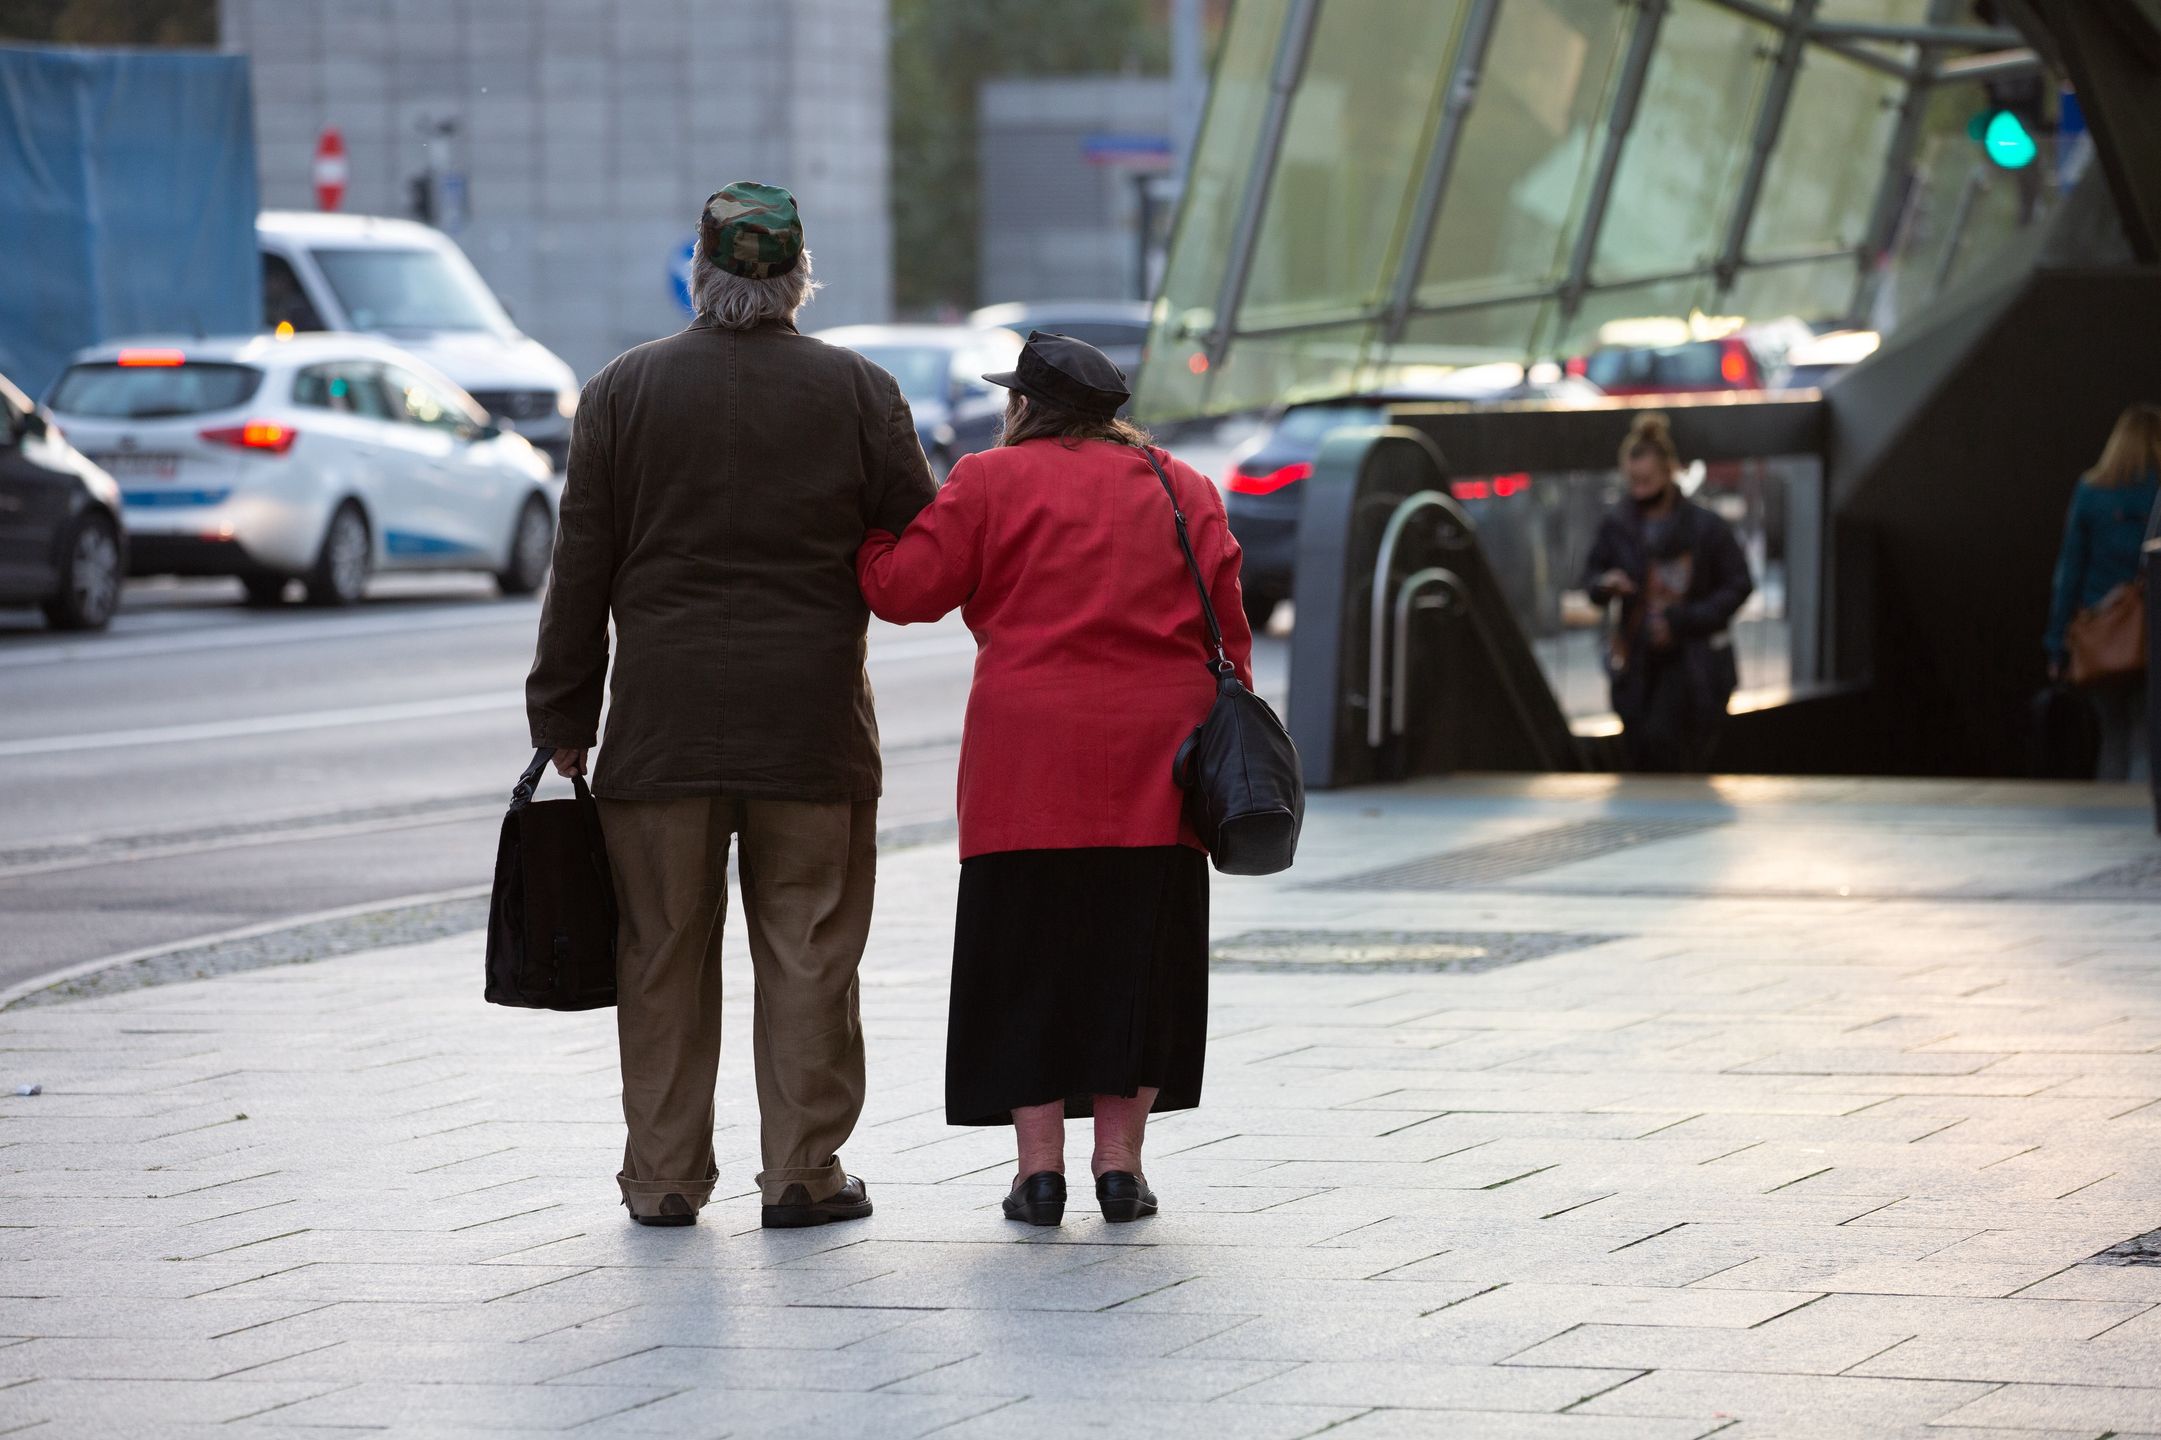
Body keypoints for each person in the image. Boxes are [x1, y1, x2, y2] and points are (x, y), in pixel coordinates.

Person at [526, 182, 937, 1229]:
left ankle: (664, 1180)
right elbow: (923, 548)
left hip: (660, 729)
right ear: (798, 277)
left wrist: (563, 717)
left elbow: (580, 570)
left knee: (660, 952)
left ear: (700, 272)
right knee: (808, 951)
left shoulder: (620, 392)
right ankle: (802, 1173)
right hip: (812, 727)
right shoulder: (859, 391)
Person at [855, 332, 1252, 1227]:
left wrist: (870, 530)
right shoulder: (1179, 486)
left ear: (1024, 407)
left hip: (1023, 767)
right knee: (1137, 966)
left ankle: (1039, 1174)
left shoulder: (990, 482)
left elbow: (904, 590)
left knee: (1024, 964)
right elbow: (1229, 629)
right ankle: (1120, 1167)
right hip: (1162, 767)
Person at [1581, 412, 1754, 772]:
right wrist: (1605, 584)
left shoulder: (1706, 528)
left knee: (1672, 749)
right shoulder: (1618, 525)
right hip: (1638, 665)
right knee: (1643, 749)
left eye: (1646, 481)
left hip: (1693, 665)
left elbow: (1738, 584)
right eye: (1633, 482)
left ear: (1669, 473)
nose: (1639, 490)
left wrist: (1684, 620)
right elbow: (1590, 578)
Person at [2045, 403, 2161, 781]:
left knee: (2110, 737)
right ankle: (2140, 826)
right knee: (2145, 737)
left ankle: (2108, 824)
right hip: (2150, 631)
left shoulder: (2091, 491)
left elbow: (2070, 571)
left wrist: (2057, 644)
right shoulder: (2156, 492)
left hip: (2101, 631)